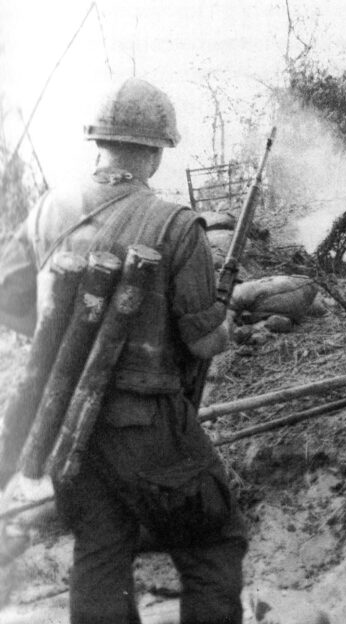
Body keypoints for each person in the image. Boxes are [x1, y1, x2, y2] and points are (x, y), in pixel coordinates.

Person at [0, 78, 245, 624]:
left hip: (68, 425)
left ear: (99, 142)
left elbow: (7, 296)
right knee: (214, 541)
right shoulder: (178, 226)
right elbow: (203, 340)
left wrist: (61, 338)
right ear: (155, 153)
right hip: (147, 427)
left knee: (100, 547)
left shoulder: (49, 208)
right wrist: (223, 314)